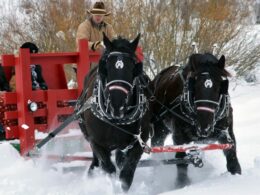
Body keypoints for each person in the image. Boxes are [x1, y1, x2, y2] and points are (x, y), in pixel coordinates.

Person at [75, 1, 116, 70]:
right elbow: (80, 42)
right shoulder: (84, 26)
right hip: (84, 62)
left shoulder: (109, 28)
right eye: (96, 14)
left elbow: (114, 40)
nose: (98, 17)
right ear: (92, 14)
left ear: (104, 16)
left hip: (101, 64)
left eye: (100, 15)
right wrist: (95, 45)